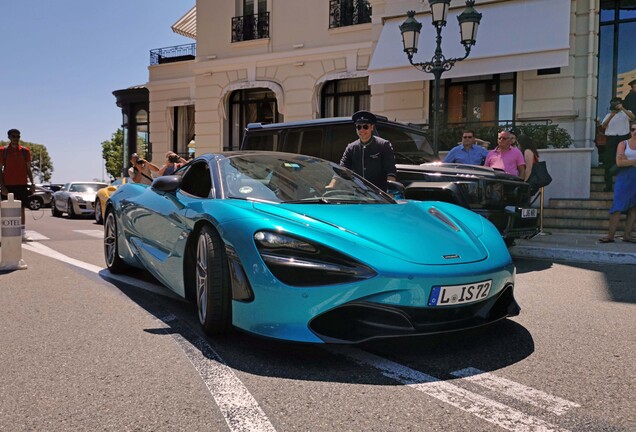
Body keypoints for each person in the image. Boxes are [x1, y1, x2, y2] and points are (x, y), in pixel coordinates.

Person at [336, 110, 397, 191]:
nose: (362, 130)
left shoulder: (383, 145)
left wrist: (390, 191)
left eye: (365, 127)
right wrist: (331, 186)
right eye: (359, 127)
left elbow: (391, 170)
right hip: (358, 194)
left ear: (372, 127)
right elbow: (342, 169)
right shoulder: (351, 147)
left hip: (380, 195)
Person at [599, 123, 636, 243]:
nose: (635, 131)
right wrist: (633, 162)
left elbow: (623, 161)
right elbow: (619, 163)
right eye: (633, 129)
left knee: (634, 208)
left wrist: (627, 160)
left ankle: (628, 235)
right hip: (624, 178)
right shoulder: (623, 144)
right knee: (617, 206)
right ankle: (610, 235)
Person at [0, 128, 36, 242]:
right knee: (5, 209)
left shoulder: (25, 151)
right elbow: (0, 170)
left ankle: (22, 233)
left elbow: (28, 169)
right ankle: (4, 233)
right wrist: (2, 186)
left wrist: (32, 183)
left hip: (22, 184)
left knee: (21, 209)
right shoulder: (3, 151)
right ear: (9, 137)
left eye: (18, 136)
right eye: (14, 136)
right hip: (8, 184)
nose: (16, 139)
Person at [600, 97, 635, 192]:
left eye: (616, 104)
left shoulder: (625, 113)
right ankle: (608, 186)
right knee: (608, 162)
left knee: (625, 160)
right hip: (611, 139)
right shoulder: (608, 115)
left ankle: (626, 183)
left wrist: (622, 108)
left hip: (623, 138)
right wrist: (612, 115)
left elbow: (633, 117)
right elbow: (603, 126)